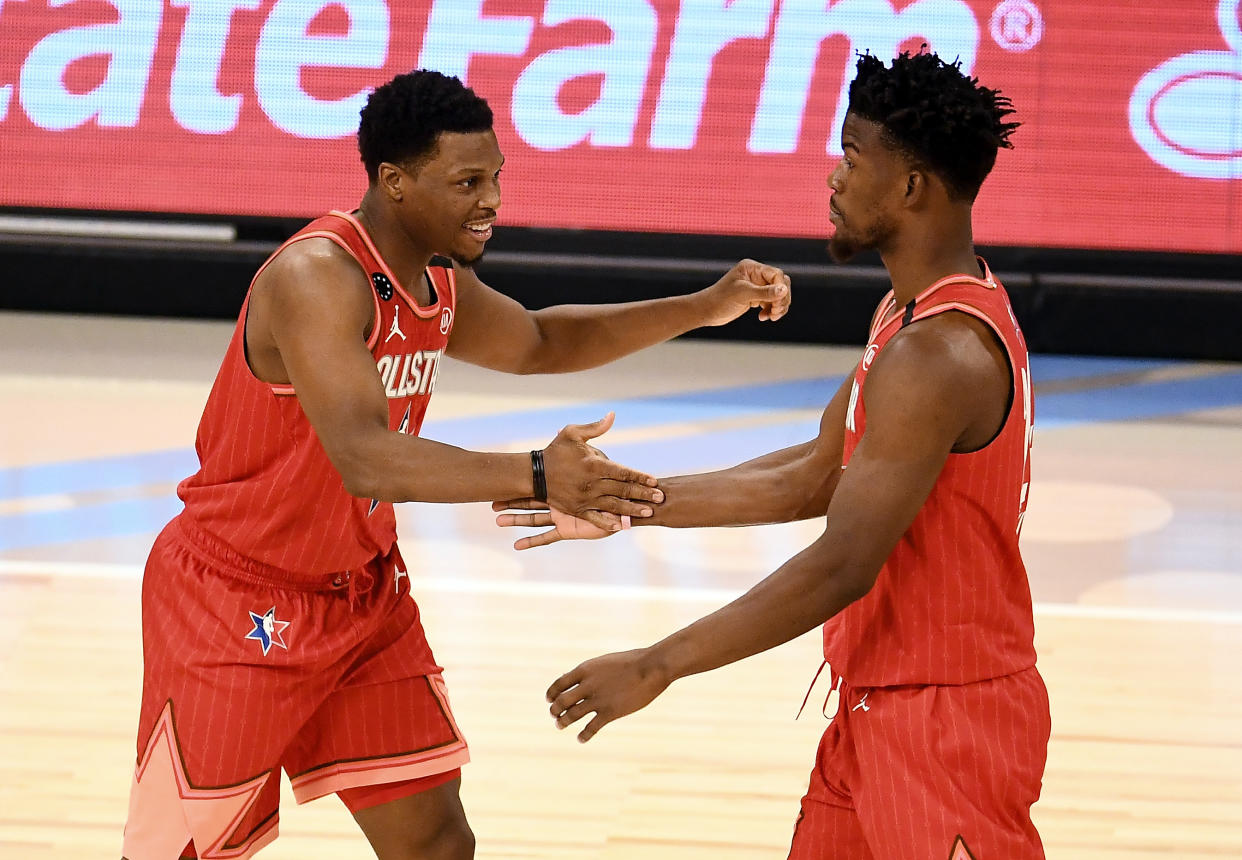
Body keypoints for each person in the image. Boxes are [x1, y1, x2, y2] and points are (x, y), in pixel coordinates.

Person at [120, 69, 791, 860]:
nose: (492, 200)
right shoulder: (318, 278)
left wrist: (703, 306)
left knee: (437, 841)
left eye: (497, 178)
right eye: (468, 181)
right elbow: (366, 457)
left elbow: (543, 342)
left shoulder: (436, 278)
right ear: (394, 183)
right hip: (237, 600)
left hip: (362, 597)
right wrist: (537, 474)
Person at [499, 51, 1046, 859]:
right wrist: (626, 500)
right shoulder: (910, 312)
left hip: (946, 724)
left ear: (912, 187)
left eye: (853, 155)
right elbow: (818, 474)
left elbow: (841, 566)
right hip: (878, 707)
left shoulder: (939, 356)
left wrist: (657, 665)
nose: (833, 177)